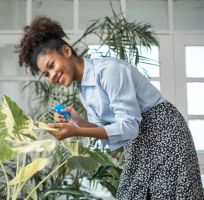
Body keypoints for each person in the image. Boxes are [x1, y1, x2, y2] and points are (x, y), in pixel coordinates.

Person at [18, 16, 204, 199]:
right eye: (46, 74)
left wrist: (77, 132)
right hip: (138, 139)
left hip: (163, 131)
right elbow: (108, 130)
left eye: (52, 65)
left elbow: (129, 126)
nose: (51, 76)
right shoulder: (83, 89)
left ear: (66, 51)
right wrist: (78, 122)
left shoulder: (109, 71)